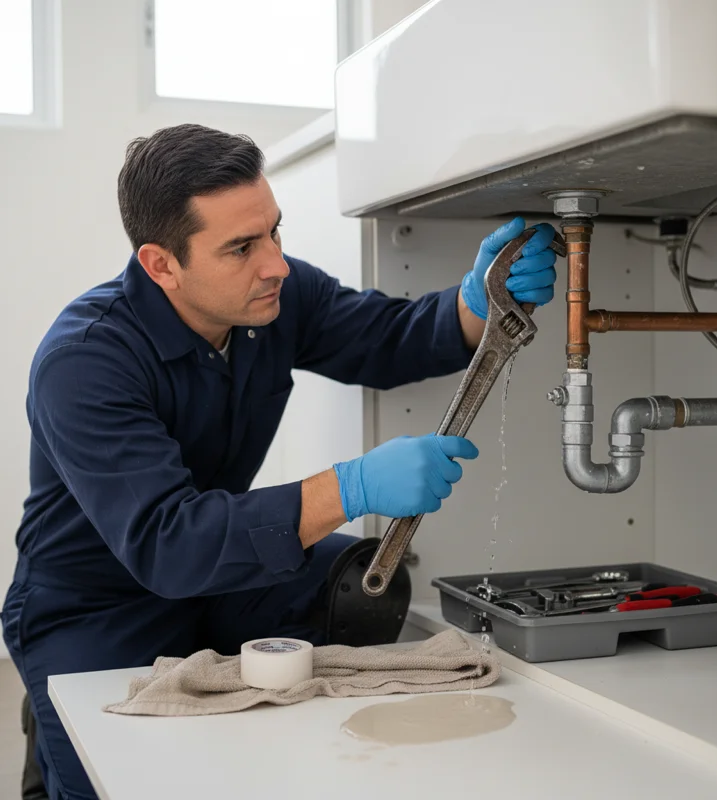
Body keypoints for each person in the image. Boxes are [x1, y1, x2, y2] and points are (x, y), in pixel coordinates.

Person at [1, 123, 558, 800]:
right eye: (241, 247)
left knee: (355, 582)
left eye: (273, 232)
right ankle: (50, 723)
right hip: (94, 605)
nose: (276, 264)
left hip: (214, 580)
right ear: (160, 264)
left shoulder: (273, 298)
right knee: (113, 776)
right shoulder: (85, 361)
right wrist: (349, 487)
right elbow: (166, 542)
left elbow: (386, 340)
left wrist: (476, 301)